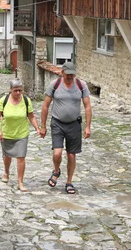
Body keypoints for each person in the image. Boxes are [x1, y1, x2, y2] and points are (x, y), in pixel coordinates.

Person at [40, 62, 92, 194]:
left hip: (74, 124)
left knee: (71, 155)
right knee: (57, 153)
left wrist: (88, 127)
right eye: (68, 74)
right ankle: (56, 171)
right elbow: (45, 105)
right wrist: (43, 126)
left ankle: (69, 182)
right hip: (57, 123)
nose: (70, 76)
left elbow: (87, 106)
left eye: (72, 74)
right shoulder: (55, 85)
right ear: (62, 73)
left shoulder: (81, 85)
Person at [0, 79, 41, 192]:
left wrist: (37, 128)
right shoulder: (3, 100)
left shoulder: (26, 100)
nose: (18, 93)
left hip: (21, 133)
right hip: (7, 133)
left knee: (21, 157)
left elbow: (31, 116)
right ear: (10, 90)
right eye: (16, 91)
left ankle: (20, 182)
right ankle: (6, 172)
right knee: (7, 156)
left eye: (20, 90)